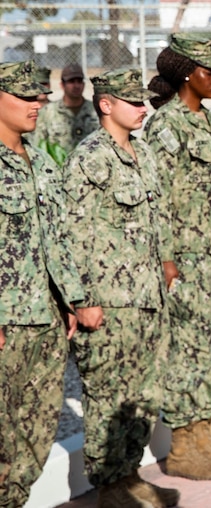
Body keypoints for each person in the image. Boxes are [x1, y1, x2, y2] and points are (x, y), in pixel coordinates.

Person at [60, 68, 179, 508]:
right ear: (106, 104)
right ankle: (110, 487)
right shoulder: (90, 157)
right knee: (109, 397)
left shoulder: (142, 153)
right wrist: (82, 300)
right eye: (133, 101)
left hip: (146, 298)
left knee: (142, 397)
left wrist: (166, 261)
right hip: (109, 303)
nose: (143, 108)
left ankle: (129, 477)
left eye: (144, 101)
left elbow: (156, 216)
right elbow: (70, 232)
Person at [144, 34, 211, 479]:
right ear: (188, 74)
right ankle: (184, 446)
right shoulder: (166, 126)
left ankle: (205, 434)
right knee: (186, 352)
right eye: (209, 72)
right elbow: (159, 199)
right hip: (185, 258)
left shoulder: (210, 120)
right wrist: (167, 258)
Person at [0, 60, 84, 508]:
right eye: (24, 96)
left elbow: (57, 239)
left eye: (38, 96)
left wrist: (70, 299)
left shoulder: (41, 164)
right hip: (6, 322)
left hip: (46, 319)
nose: (36, 104)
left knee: (35, 432)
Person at [36, 63, 99, 158]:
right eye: (71, 81)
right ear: (62, 85)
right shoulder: (49, 112)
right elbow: (40, 144)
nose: (76, 85)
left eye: (79, 81)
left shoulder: (96, 110)